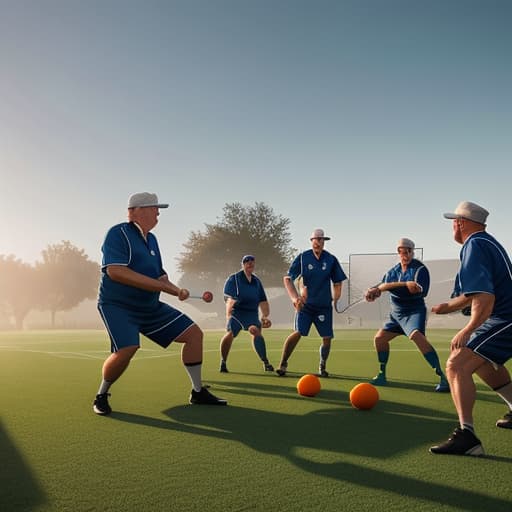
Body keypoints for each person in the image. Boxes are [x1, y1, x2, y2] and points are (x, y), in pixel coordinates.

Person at [93, 192, 227, 415]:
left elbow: (160, 278)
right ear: (138, 210)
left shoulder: (152, 240)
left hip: (149, 307)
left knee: (194, 335)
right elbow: (116, 271)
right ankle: (101, 395)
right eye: (155, 208)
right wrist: (163, 288)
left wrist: (177, 290)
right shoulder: (118, 233)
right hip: (117, 306)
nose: (158, 213)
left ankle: (197, 392)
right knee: (128, 347)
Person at [429, 201, 512, 456]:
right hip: (503, 318)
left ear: (461, 223)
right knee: (484, 363)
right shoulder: (487, 243)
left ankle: (468, 438)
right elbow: (472, 294)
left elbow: (484, 298)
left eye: (454, 221)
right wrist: (448, 306)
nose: (452, 226)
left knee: (456, 364)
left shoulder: (474, 245)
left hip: (505, 319)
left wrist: (468, 329)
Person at [365, 238, 449, 392]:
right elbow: (382, 285)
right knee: (379, 339)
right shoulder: (392, 271)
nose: (406, 254)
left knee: (416, 336)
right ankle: (382, 374)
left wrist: (387, 287)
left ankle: (442, 377)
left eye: (409, 251)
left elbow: (417, 290)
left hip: (414, 311)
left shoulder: (420, 269)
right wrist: (373, 290)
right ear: (399, 252)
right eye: (403, 251)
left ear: (413, 251)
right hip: (396, 314)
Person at [276, 229, 347, 377]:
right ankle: (283, 363)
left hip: (323, 307)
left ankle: (322, 366)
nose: (319, 242)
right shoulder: (303, 258)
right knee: (298, 333)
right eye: (316, 239)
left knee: (327, 338)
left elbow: (338, 282)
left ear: (324, 242)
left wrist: (336, 298)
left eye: (322, 240)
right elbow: (287, 279)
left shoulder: (331, 259)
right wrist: (295, 298)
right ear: (311, 240)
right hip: (305, 306)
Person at [219, 255, 274, 373]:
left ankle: (265, 362)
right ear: (243, 264)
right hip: (237, 313)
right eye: (247, 262)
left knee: (256, 331)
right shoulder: (234, 279)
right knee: (230, 333)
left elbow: (263, 300)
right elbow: (228, 298)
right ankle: (223, 362)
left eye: (252, 262)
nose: (250, 264)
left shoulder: (256, 281)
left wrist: (265, 316)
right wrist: (228, 313)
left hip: (252, 314)